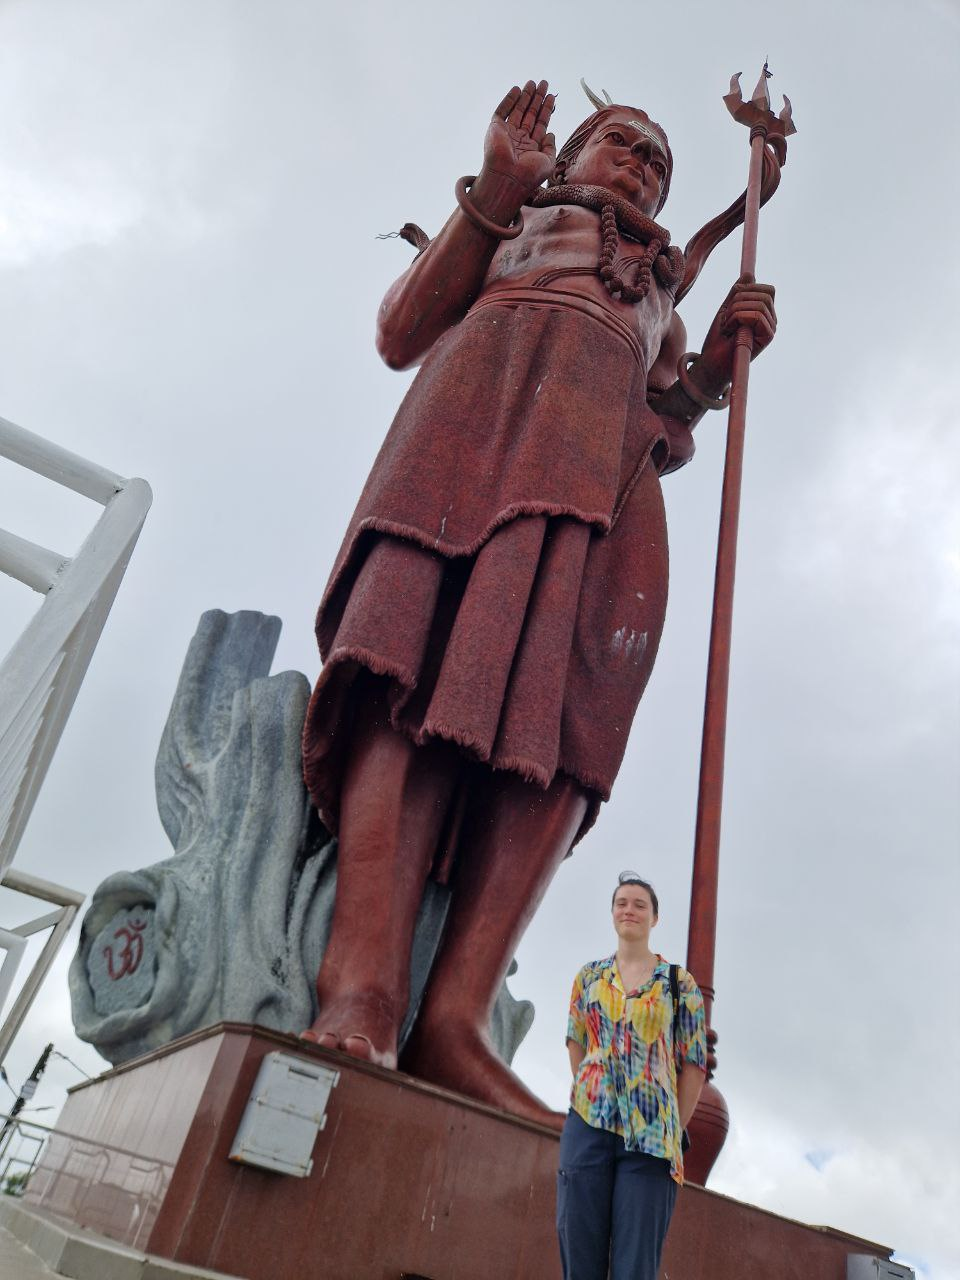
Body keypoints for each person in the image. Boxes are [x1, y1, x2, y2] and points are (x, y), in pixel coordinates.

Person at [299, 79, 775, 1126]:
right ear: (567, 157)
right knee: (415, 660)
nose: (643, 162)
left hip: (602, 488)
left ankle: (455, 1018)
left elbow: (667, 411)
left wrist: (711, 370)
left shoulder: (657, 291)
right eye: (622, 142)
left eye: (659, 160)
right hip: (476, 433)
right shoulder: (516, 216)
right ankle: (363, 986)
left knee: (569, 718)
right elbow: (401, 330)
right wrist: (494, 191)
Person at [558, 873, 706, 1280]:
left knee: (635, 1265)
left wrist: (672, 1126)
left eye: (640, 905)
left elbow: (694, 1065)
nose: (630, 910)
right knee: (578, 1249)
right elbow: (576, 1042)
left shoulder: (679, 984)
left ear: (654, 918)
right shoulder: (589, 977)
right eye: (622, 903)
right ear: (612, 913)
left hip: (653, 1138)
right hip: (588, 1125)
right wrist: (592, 1092)